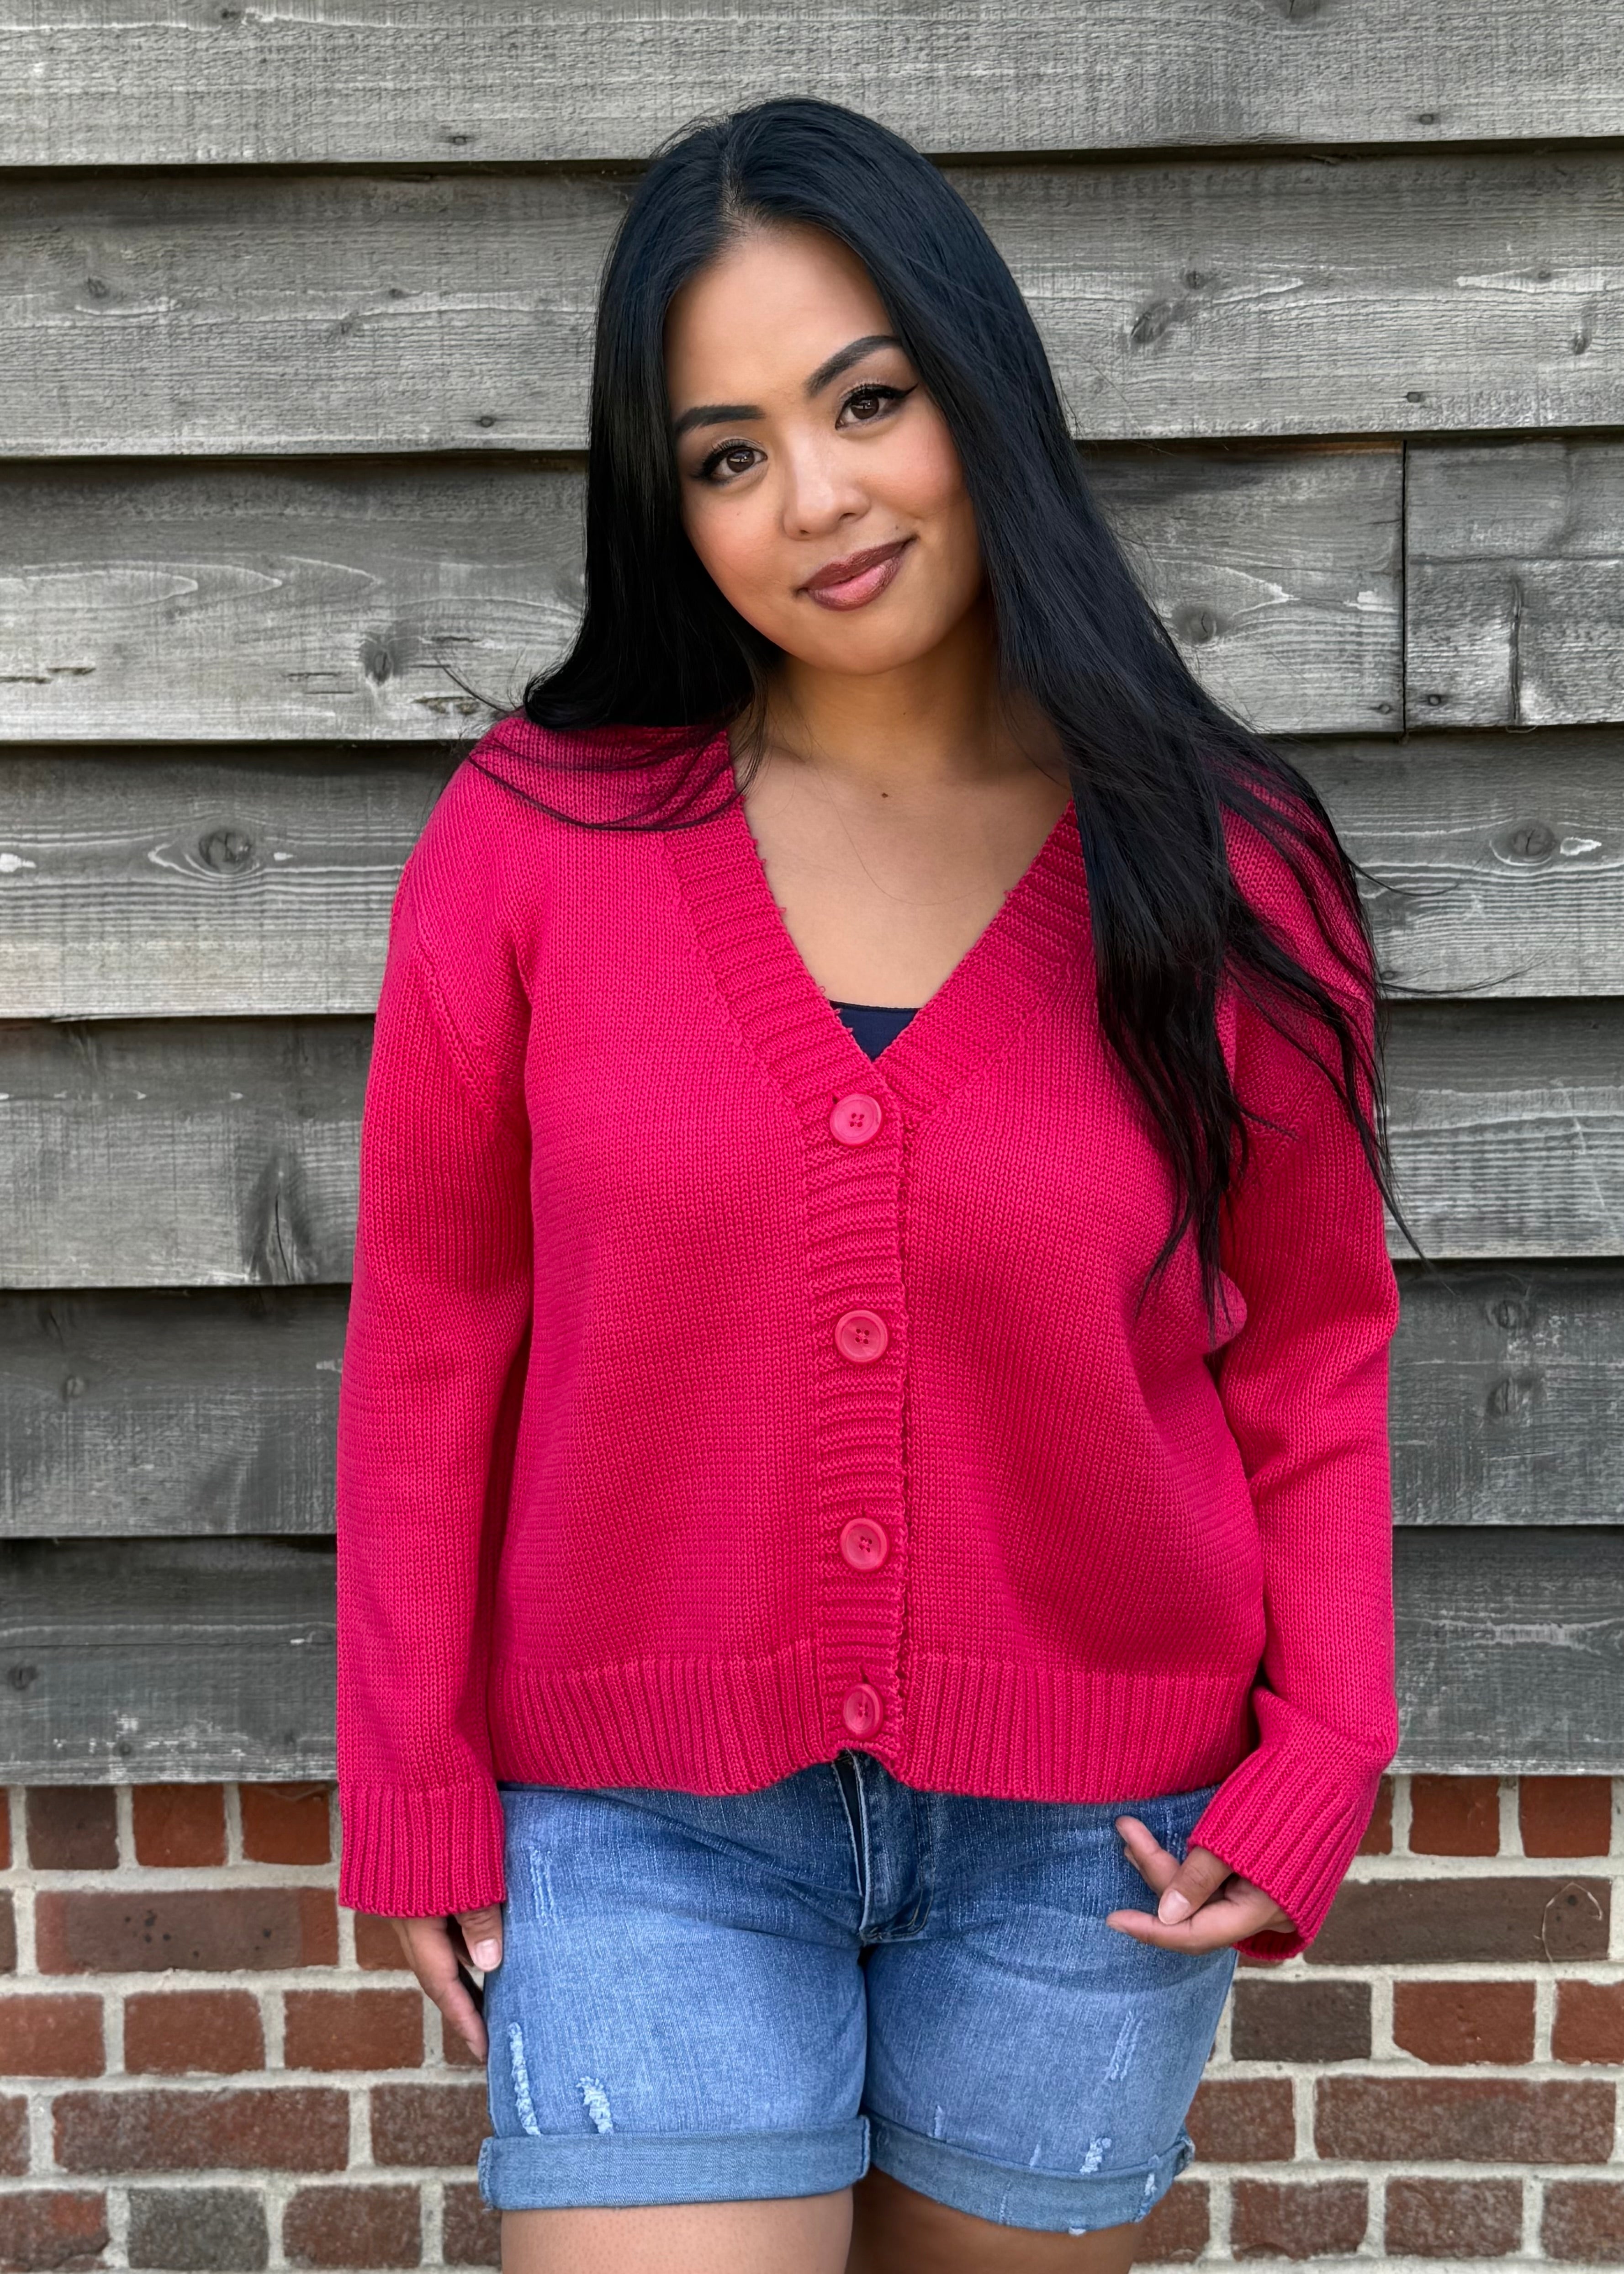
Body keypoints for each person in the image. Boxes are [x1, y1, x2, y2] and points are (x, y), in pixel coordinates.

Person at [334, 95, 1402, 2274]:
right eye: (727, 453)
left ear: (972, 392)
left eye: (865, 403)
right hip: (635, 1825)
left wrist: (1324, 1763)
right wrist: (412, 1785)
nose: (812, 498)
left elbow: (1310, 1350)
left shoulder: (1224, 863)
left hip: (1091, 1842)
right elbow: (434, 1349)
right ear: (670, 505)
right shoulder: (532, 845)